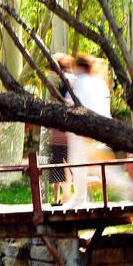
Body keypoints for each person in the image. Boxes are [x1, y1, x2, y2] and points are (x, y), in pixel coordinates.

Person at [65, 55, 112, 208]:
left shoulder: (80, 83)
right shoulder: (100, 83)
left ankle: (80, 197)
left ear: (79, 68)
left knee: (78, 162)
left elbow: (74, 104)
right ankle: (81, 196)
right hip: (101, 127)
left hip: (83, 128)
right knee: (93, 162)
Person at [47, 54, 75, 205]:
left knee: (61, 162)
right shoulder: (69, 79)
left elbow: (55, 100)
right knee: (65, 162)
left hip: (59, 127)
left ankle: (64, 198)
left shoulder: (56, 79)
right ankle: (62, 197)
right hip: (66, 127)